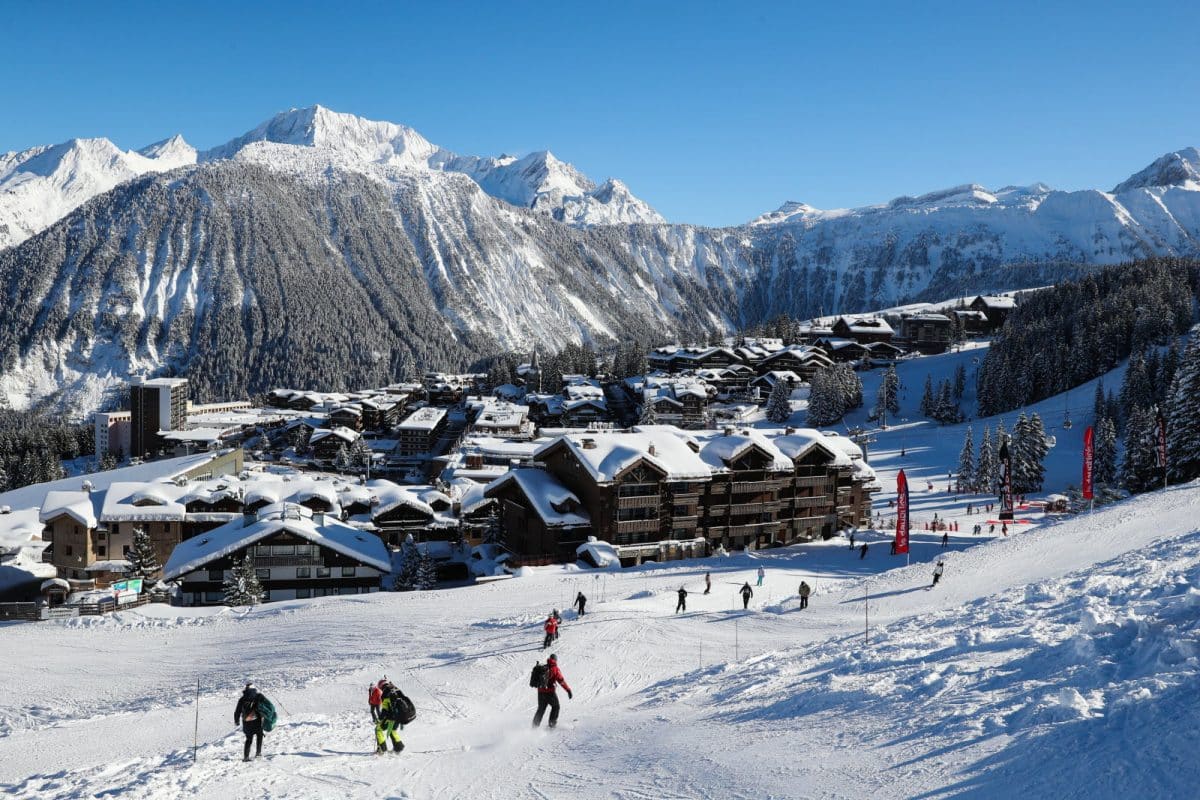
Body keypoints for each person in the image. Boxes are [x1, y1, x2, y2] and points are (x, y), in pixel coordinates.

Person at [532, 654, 572, 728]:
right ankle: (552, 724)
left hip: (540, 692)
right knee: (556, 706)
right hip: (550, 692)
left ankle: (534, 727)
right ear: (555, 660)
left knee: (541, 709)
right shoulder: (555, 668)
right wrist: (568, 690)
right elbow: (561, 681)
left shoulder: (544, 667)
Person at [234, 683, 264, 762]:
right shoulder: (258, 696)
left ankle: (246, 757)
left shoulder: (242, 699)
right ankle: (258, 753)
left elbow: (237, 711)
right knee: (259, 736)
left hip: (247, 722)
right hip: (257, 721)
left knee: (249, 739)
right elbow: (265, 707)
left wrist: (236, 721)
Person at [373, 680, 406, 754]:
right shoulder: (396, 690)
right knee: (392, 730)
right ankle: (398, 747)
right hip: (399, 717)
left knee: (378, 729)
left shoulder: (385, 694)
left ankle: (382, 749)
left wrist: (379, 719)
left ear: (381, 686)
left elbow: (385, 710)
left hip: (391, 717)